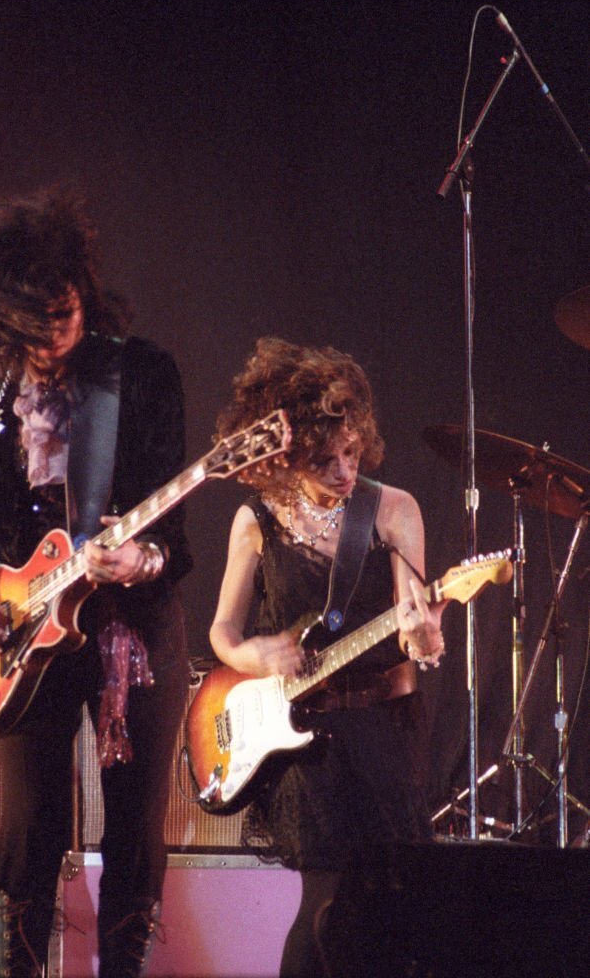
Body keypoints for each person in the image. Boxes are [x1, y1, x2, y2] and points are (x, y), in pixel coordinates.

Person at [0, 186, 192, 978]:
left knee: (134, 830)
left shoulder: (142, 374)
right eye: (32, 325)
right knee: (28, 828)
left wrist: (141, 560)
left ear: (84, 289)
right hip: (23, 635)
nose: (53, 337)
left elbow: (175, 541)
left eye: (65, 314)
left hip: (133, 626)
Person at [209, 337, 446, 978]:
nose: (344, 470)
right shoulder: (256, 519)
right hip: (305, 738)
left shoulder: (393, 509)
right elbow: (222, 635)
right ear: (286, 455)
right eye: (323, 458)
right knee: (324, 897)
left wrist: (425, 638)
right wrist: (255, 653)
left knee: (394, 901)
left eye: (350, 451)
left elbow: (414, 624)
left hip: (382, 728)